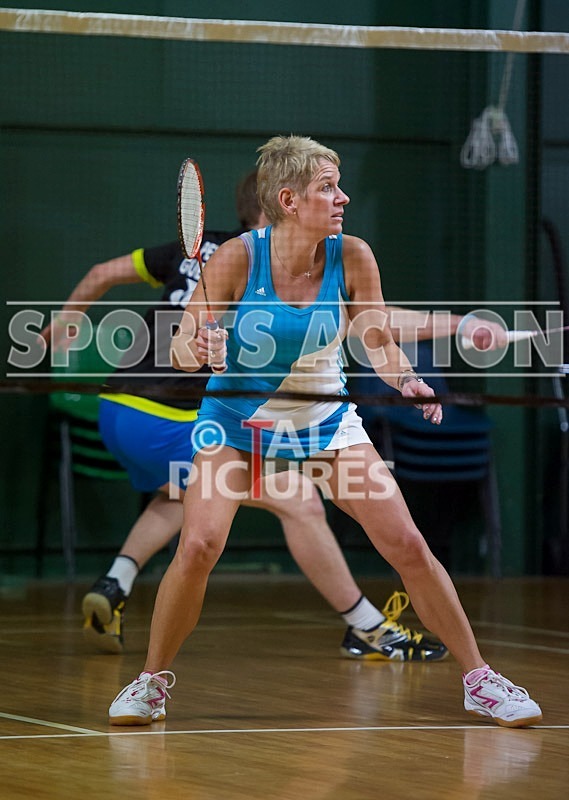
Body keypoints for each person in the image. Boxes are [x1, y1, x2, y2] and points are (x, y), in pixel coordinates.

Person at [108, 136, 541, 728]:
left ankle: (479, 680)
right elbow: (184, 349)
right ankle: (151, 682)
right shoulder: (235, 258)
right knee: (199, 544)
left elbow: (377, 341)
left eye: (338, 186)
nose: (343, 197)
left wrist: (407, 381)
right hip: (235, 423)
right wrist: (198, 346)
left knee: (409, 546)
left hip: (325, 420)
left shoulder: (353, 256)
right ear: (288, 200)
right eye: (327, 188)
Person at [41, 171, 458, 662]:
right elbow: (366, 324)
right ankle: (367, 627)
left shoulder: (191, 255)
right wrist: (459, 326)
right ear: (279, 208)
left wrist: (66, 322)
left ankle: (116, 581)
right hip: (172, 413)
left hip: (115, 408)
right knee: (299, 502)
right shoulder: (255, 263)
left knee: (183, 493)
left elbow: (99, 274)